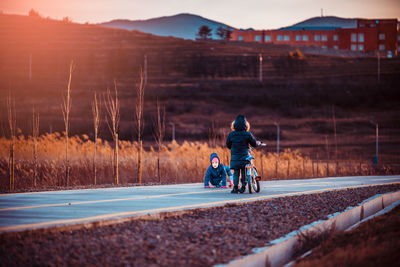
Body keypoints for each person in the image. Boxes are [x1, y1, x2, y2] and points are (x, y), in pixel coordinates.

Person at [226, 115, 261, 194]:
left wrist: (234, 148)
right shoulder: (247, 134)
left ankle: (235, 188)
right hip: (245, 157)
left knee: (236, 172)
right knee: (244, 171)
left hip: (235, 157)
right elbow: (254, 143)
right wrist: (257, 144)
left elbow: (228, 145)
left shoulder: (231, 134)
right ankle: (243, 187)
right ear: (245, 124)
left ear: (234, 124)